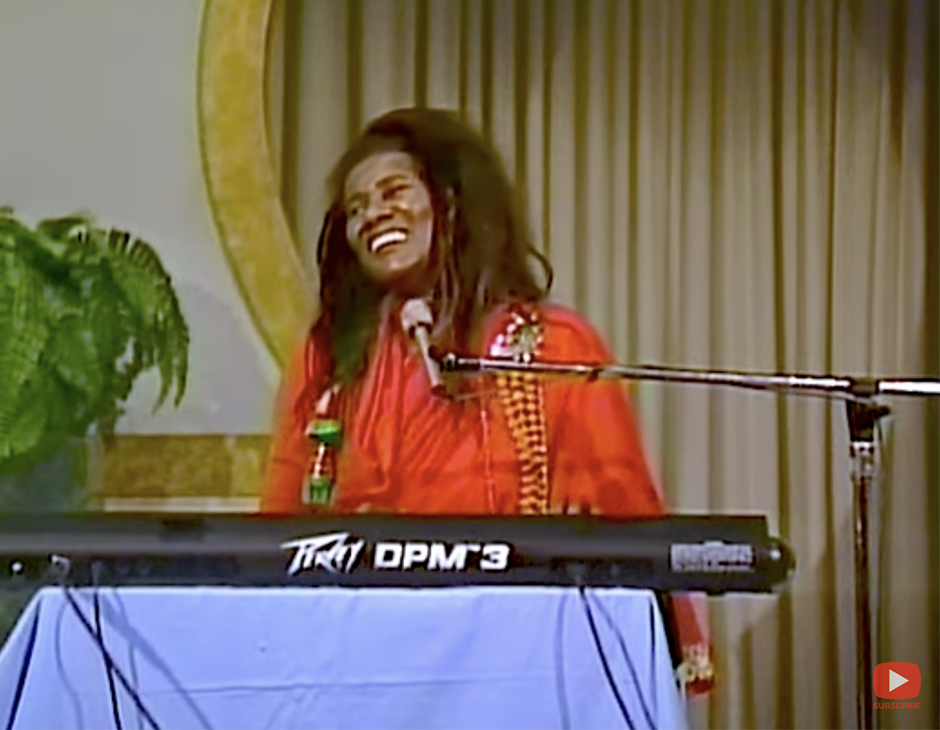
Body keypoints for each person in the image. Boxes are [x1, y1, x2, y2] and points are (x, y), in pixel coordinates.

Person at [260, 106, 714, 695]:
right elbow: (279, 517)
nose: (373, 214)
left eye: (393, 191)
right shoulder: (326, 362)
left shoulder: (551, 344)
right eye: (356, 207)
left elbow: (621, 502)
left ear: (450, 200)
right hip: (357, 661)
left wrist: (667, 634)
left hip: (512, 659)